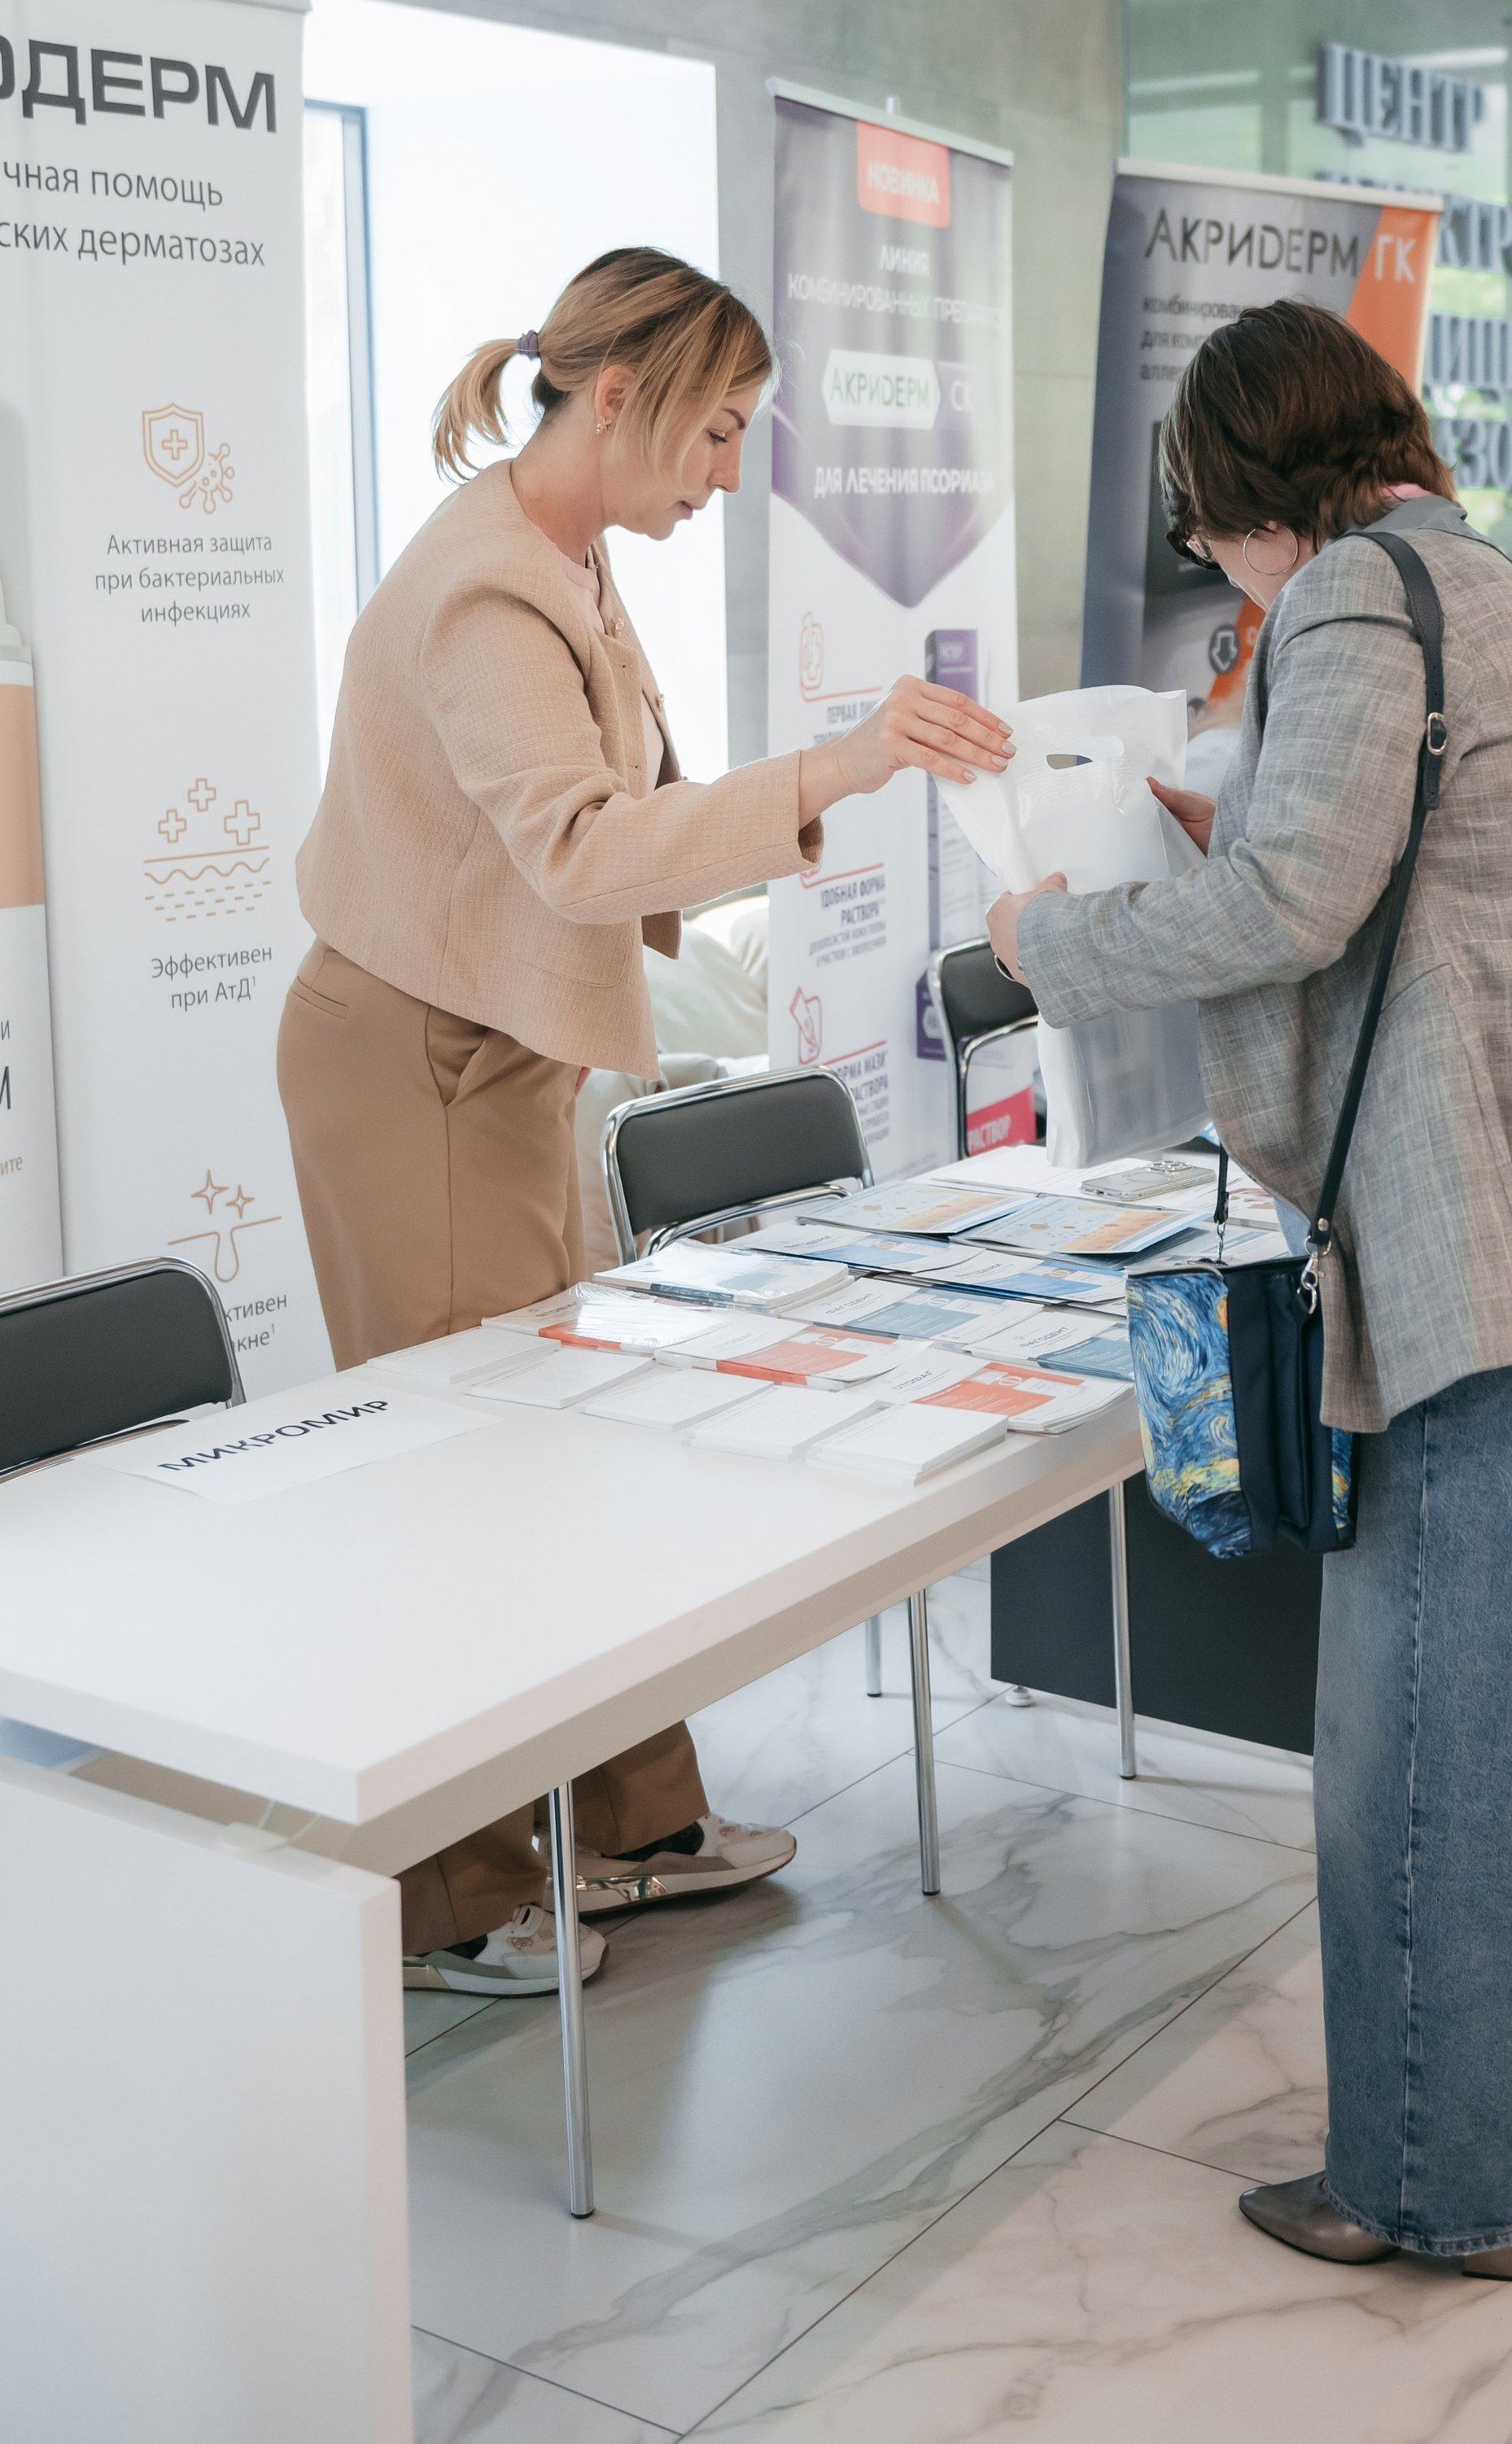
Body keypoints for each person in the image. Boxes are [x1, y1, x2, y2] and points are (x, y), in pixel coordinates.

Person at [986, 299, 1512, 2280]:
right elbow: (1419, 860)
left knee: (1422, 1735)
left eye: (1204, 528)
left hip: (1468, 1233)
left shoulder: (1340, 591)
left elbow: (1294, 901)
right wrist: (1229, 823)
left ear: (1250, 486)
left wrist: (1050, 937)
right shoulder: (1481, 577)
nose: (1218, 569)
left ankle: (1426, 2180)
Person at [281, 247, 1009, 1996]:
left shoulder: (566, 554)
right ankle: (453, 1898)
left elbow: (625, 810)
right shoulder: (486, 591)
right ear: (618, 397)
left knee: (550, 1459)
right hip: (414, 1069)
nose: (729, 474)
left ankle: (632, 1822)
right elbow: (584, 847)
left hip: (499, 1057)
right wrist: (835, 766)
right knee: (460, 1485)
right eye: (720, 430)